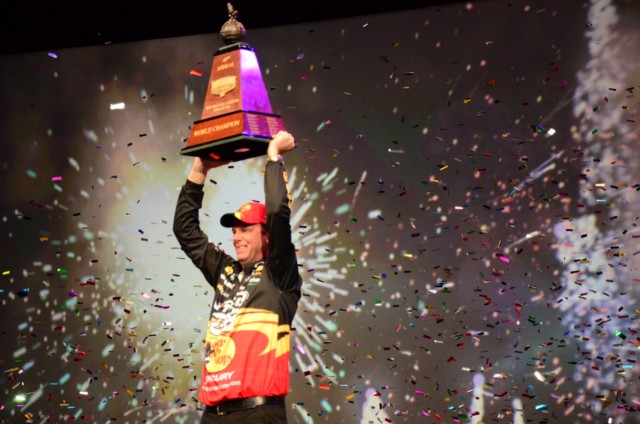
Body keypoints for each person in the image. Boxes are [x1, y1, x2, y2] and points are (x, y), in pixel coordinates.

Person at [173, 131, 302, 423]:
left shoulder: (279, 275)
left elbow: (278, 214)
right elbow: (185, 230)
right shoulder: (225, 271)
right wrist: (199, 169)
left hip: (258, 413)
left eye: (246, 230)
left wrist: (273, 157)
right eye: (234, 231)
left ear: (267, 236)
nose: (236, 238)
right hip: (213, 414)